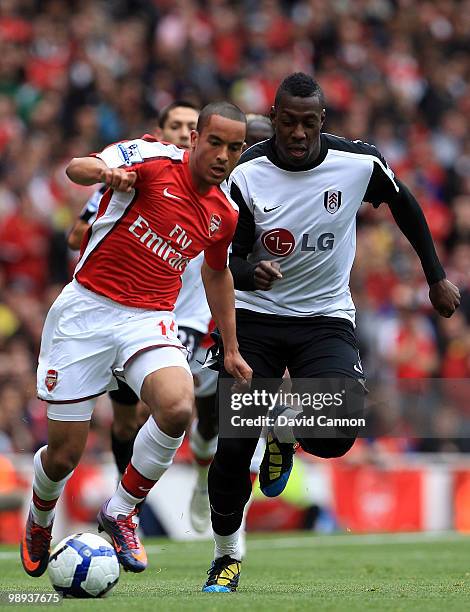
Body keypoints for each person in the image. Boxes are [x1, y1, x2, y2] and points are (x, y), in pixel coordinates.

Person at [202, 73, 460, 592]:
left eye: (309, 123)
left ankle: (286, 429)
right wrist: (252, 272)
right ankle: (227, 557)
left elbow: (406, 205)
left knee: (337, 432)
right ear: (272, 119)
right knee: (232, 449)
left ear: (323, 121)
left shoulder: (358, 163)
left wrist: (436, 277)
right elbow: (224, 255)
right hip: (255, 318)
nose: (299, 133)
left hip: (325, 318)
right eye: (289, 122)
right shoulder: (246, 173)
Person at [20, 101, 252, 579]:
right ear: (195, 139)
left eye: (235, 147)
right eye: (215, 142)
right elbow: (75, 167)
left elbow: (217, 273)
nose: (223, 155)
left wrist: (230, 346)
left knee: (177, 406)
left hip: (148, 319)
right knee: (64, 455)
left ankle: (121, 509)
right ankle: (41, 516)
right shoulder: (149, 158)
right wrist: (108, 173)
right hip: (87, 311)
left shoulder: (223, 214)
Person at [66, 101, 209, 481]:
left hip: (183, 317)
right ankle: (126, 499)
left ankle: (130, 503)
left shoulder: (214, 188)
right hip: (124, 310)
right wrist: (130, 217)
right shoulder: (135, 174)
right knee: (127, 422)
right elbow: (75, 235)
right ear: (161, 134)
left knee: (162, 405)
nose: (182, 131)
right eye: (175, 125)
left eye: (190, 126)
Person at [188, 112, 275, 535]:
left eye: (257, 145)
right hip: (202, 315)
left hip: (261, 317)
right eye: (246, 145)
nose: (248, 156)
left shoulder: (281, 192)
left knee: (248, 415)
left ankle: (232, 530)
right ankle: (205, 482)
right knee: (207, 419)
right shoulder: (208, 192)